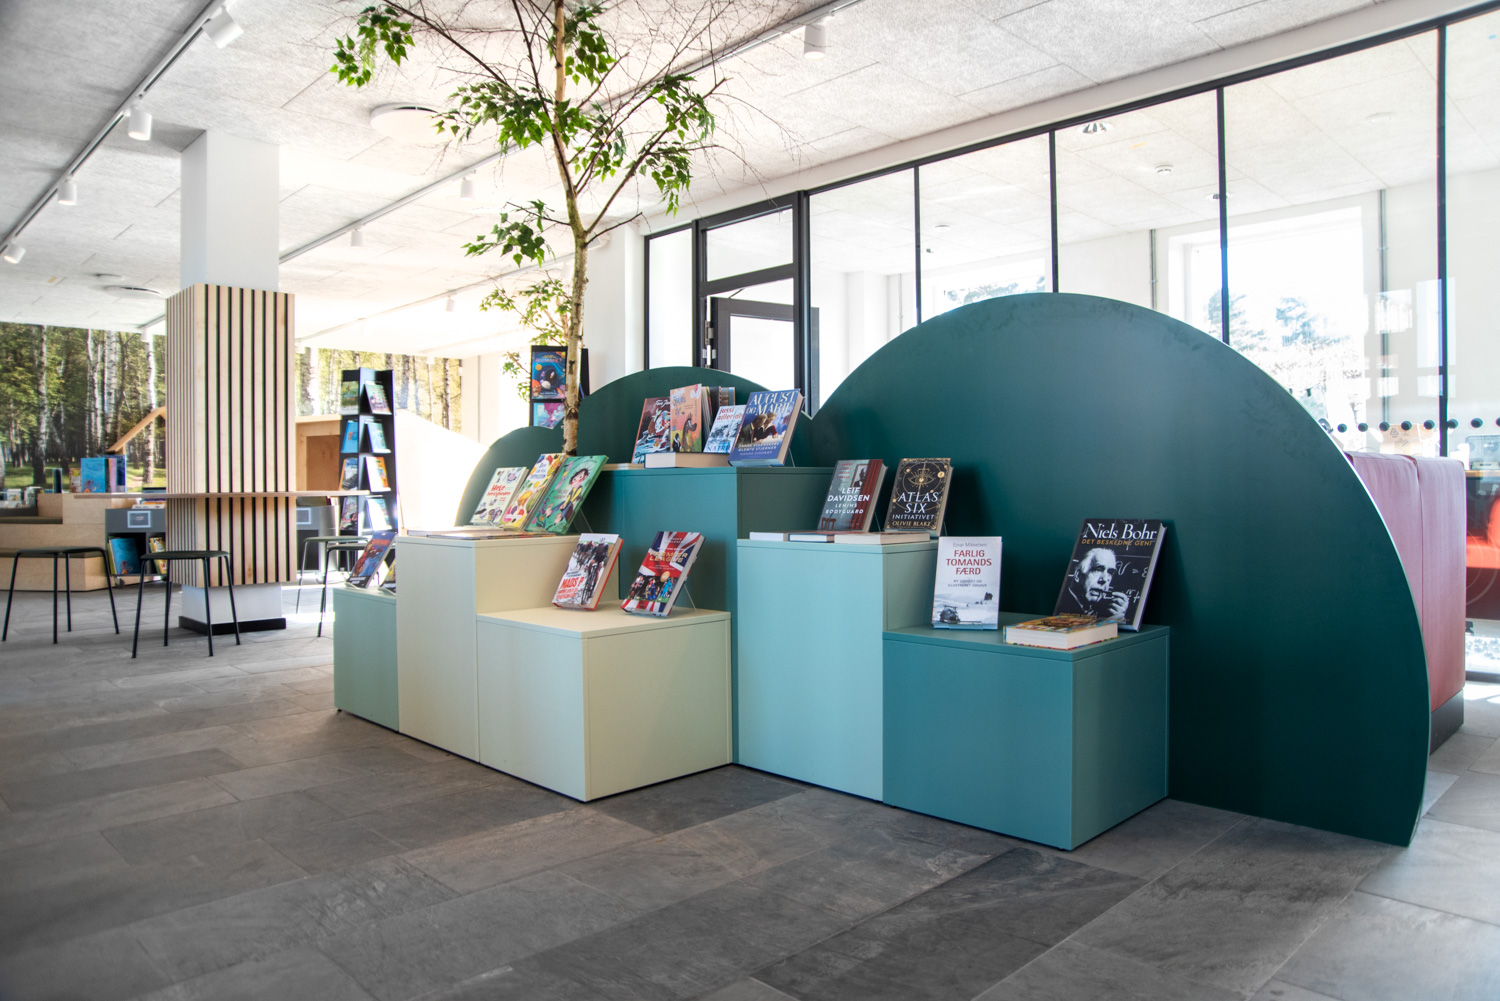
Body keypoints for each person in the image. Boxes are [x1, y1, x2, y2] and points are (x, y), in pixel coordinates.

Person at [1061, 547, 1132, 622]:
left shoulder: (1105, 609)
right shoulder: (1062, 605)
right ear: (1078, 575)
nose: (1105, 579)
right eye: (1098, 570)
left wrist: (1118, 618)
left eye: (1110, 572)